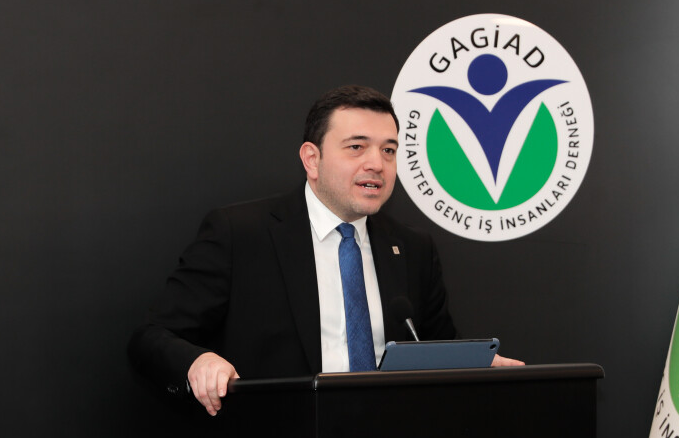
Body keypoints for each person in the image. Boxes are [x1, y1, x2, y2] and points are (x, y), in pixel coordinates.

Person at [128, 85, 519, 416]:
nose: (377, 164)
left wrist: (474, 368)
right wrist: (197, 361)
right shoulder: (240, 234)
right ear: (312, 160)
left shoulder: (412, 248)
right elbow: (151, 337)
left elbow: (436, 349)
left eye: (388, 150)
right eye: (357, 147)